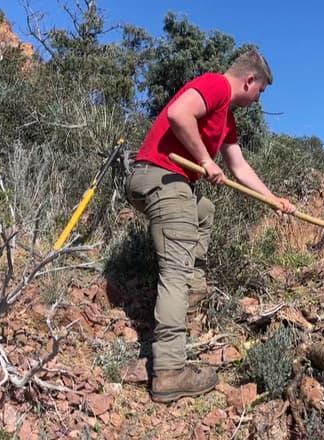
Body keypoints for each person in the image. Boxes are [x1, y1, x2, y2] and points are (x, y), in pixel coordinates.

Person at [125, 50, 296, 403]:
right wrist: (204, 161)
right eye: (260, 91)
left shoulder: (227, 119)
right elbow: (177, 113)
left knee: (203, 210)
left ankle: (192, 289)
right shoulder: (216, 85)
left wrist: (274, 199)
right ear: (249, 80)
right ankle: (170, 371)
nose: (258, 99)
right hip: (161, 176)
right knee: (174, 269)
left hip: (170, 183)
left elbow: (240, 167)